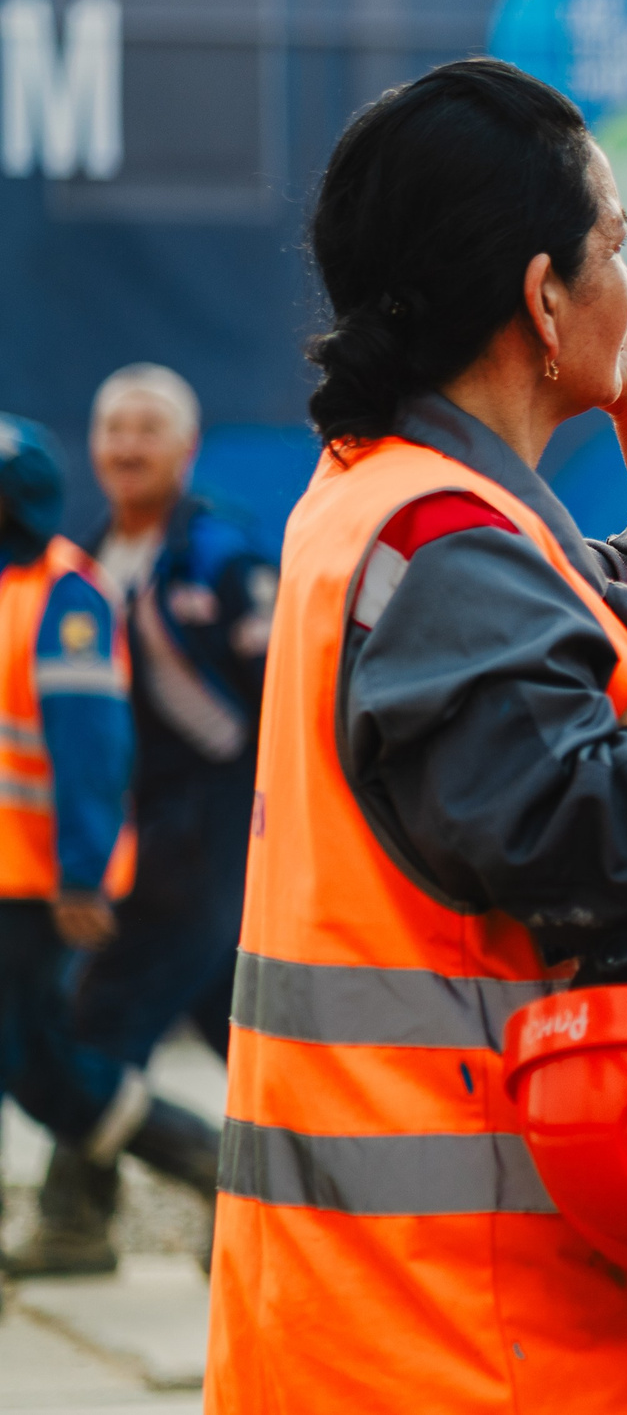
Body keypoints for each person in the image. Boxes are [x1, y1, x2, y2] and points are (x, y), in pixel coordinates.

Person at [205, 58, 627, 1413]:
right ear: (546, 297)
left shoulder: (404, 500)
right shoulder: (443, 544)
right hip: (473, 1333)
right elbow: (618, 834)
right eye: (617, 253)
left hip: (409, 1310)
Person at [9, 366, 279, 1276]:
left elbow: (282, 701)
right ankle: (247, 1202)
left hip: (208, 838)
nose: (127, 445)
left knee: (99, 1018)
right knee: (227, 1024)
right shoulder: (88, 559)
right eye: (113, 428)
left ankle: (96, 1217)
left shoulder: (222, 556)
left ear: (186, 448)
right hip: (140, 838)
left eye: (147, 429)